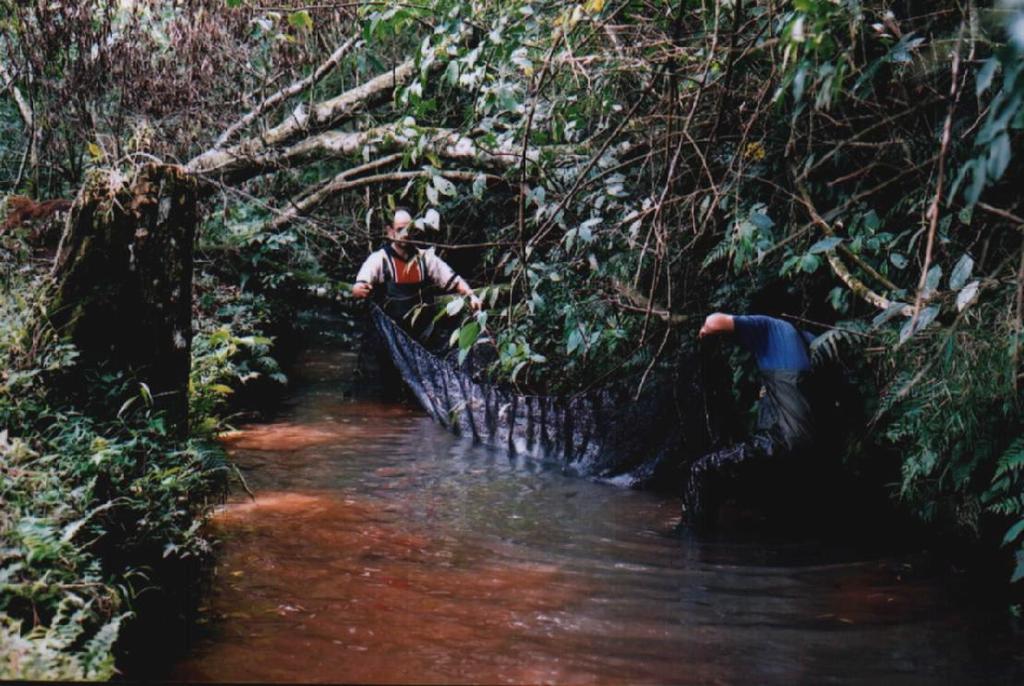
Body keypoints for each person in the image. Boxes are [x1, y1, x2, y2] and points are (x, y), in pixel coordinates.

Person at [682, 312, 817, 529]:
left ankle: (689, 545)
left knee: (702, 470)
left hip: (784, 444)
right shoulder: (806, 340)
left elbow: (715, 321)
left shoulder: (771, 329)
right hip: (810, 452)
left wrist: (704, 331)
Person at [352, 207, 481, 330]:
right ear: (390, 232)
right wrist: (358, 289)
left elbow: (453, 280)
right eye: (400, 229)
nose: (406, 234)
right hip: (388, 334)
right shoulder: (379, 259)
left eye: (409, 229)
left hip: (420, 333)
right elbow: (361, 284)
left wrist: (471, 295)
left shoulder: (426, 258)